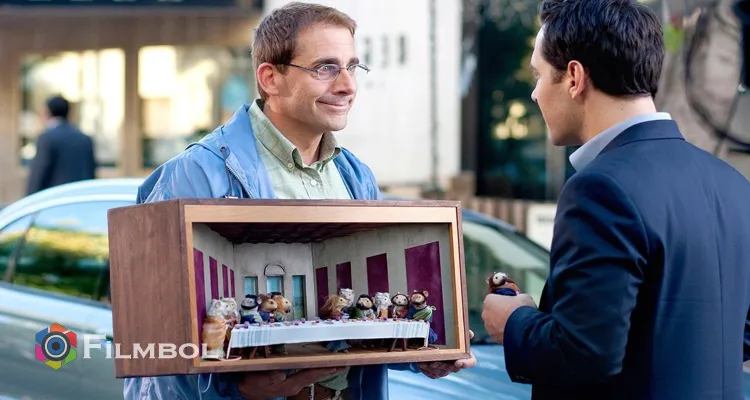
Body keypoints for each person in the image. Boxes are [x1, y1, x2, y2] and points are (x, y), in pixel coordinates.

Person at [125, 3, 475, 400]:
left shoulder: (355, 175)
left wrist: (424, 354)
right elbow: (152, 343)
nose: (347, 85)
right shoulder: (195, 173)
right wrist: (236, 391)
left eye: (352, 66)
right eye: (326, 68)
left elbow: (363, 330)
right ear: (270, 78)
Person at [481, 0, 750, 399]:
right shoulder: (732, 183)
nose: (535, 93)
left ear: (574, 77)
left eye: (539, 75)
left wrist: (515, 321)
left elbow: (584, 353)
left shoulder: (600, 189)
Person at [26, 94, 96, 195]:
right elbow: (91, 173)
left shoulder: (47, 138)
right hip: (81, 197)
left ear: (47, 112)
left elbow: (38, 175)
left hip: (56, 199)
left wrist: (29, 199)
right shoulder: (85, 139)